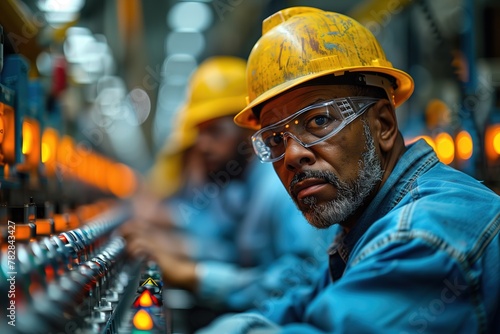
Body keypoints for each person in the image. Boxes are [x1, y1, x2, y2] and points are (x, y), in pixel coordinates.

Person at [196, 7, 500, 334]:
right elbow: (298, 305)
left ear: (382, 124)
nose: (293, 155)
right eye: (274, 139)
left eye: (319, 121)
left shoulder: (421, 239)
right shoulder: (361, 226)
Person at [122, 56, 332, 330]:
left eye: (213, 132)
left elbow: (303, 283)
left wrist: (192, 275)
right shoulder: (242, 188)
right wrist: (177, 248)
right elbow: (231, 248)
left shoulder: (280, 189)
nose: (202, 146)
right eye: (199, 133)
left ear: (249, 131)